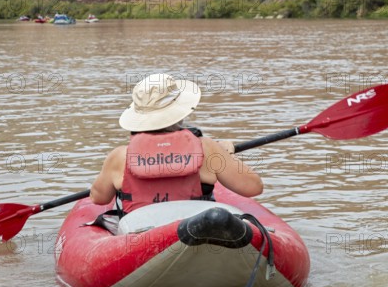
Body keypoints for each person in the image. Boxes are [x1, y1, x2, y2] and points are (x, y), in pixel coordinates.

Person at [90, 73, 263, 213]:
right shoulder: (207, 148)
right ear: (180, 113)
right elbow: (253, 187)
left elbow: (99, 198)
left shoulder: (120, 156)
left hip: (138, 233)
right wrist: (225, 153)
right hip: (199, 230)